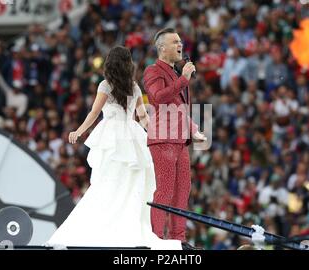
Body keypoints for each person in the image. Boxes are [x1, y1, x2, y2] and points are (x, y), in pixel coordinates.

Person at [45, 46, 181, 250]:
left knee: (107, 182)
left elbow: (94, 113)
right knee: (129, 183)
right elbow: (143, 117)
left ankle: (107, 226)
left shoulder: (105, 85)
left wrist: (79, 131)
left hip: (112, 137)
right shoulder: (134, 87)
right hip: (131, 136)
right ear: (128, 64)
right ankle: (125, 226)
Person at [143, 28, 207, 249]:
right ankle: (156, 239)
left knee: (183, 190)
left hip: (180, 141)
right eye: (175, 42)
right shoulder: (153, 71)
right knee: (166, 189)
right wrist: (183, 79)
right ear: (162, 47)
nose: (181, 45)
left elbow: (179, 109)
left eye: (181, 41)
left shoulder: (176, 73)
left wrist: (193, 129)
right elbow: (158, 98)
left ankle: (178, 239)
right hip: (163, 139)